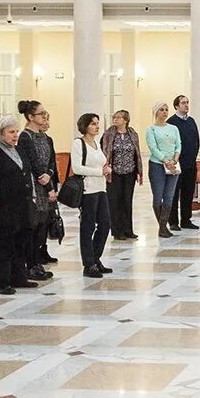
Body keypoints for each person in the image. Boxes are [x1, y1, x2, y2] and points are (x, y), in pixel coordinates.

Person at [0, 116, 35, 295]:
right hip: (2, 206)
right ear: (0, 134)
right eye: (11, 132)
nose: (15, 135)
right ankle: (0, 282)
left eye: (16, 131)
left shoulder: (17, 150)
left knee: (20, 242)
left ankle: (18, 277)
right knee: (3, 244)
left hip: (22, 206)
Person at [16, 100, 58, 280]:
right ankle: (30, 264)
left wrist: (49, 176)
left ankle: (37, 261)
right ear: (31, 117)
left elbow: (51, 161)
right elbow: (32, 162)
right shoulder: (25, 137)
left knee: (42, 227)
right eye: (41, 113)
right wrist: (45, 181)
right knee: (33, 227)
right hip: (34, 186)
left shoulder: (45, 137)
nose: (44, 116)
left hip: (46, 185)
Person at [72, 113, 113, 277]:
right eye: (93, 124)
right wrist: (99, 171)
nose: (97, 126)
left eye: (97, 123)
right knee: (88, 226)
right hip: (87, 190)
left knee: (105, 224)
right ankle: (88, 264)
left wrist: (105, 170)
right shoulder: (78, 143)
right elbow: (77, 168)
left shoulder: (96, 143)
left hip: (101, 188)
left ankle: (96, 258)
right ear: (84, 126)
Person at [103, 109, 142, 241]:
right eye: (114, 117)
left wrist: (138, 171)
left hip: (129, 172)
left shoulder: (133, 134)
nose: (115, 120)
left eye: (119, 118)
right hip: (114, 173)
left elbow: (137, 152)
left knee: (127, 201)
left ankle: (128, 229)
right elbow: (104, 151)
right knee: (114, 201)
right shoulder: (109, 134)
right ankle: (117, 231)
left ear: (125, 120)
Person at [146, 101, 183, 240]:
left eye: (166, 109)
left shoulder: (173, 128)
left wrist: (174, 159)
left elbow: (178, 145)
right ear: (156, 112)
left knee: (169, 196)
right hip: (157, 165)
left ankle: (163, 227)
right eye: (161, 109)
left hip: (173, 165)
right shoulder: (151, 129)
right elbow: (153, 147)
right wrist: (165, 161)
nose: (165, 112)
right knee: (158, 197)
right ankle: (162, 227)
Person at [169, 94, 200, 230]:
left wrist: (194, 156)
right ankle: (173, 221)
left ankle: (186, 220)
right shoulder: (171, 122)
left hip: (190, 163)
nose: (186, 105)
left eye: (187, 102)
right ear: (177, 106)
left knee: (188, 193)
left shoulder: (191, 121)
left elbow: (196, 140)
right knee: (174, 193)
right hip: (176, 163)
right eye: (183, 103)